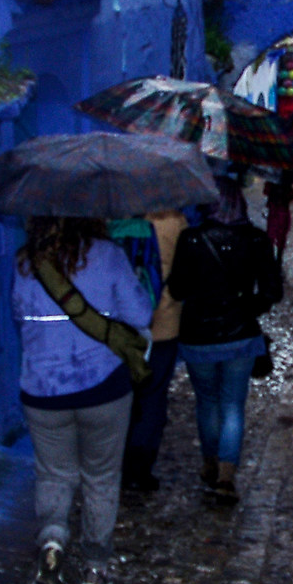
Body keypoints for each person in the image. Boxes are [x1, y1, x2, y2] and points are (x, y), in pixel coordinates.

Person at [14, 216, 151, 584]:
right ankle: (94, 568)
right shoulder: (108, 256)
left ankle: (53, 544)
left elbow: (18, 318)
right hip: (103, 389)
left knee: (54, 474)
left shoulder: (25, 262)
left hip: (42, 391)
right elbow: (141, 315)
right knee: (101, 478)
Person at [167, 178, 285, 504]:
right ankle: (226, 474)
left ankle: (209, 462)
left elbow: (177, 289)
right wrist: (247, 307)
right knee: (233, 404)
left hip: (197, 336)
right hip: (240, 336)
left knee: (207, 402)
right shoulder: (257, 240)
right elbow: (274, 291)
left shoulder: (190, 239)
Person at [122, 209, 186, 494]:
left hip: (122, 324)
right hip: (164, 321)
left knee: (124, 394)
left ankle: (120, 462)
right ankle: (142, 466)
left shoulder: (116, 222)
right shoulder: (174, 221)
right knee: (154, 394)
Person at [264, 177, 293, 253]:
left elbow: (265, 191)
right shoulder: (287, 181)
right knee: (281, 234)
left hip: (275, 210)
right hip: (281, 210)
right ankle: (278, 256)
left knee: (272, 234)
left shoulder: (271, 179)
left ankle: (273, 256)